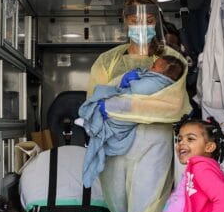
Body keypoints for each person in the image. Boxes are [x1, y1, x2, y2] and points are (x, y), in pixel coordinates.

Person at [87, 0, 192, 212]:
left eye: (148, 19)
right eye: (134, 19)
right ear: (125, 21)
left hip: (154, 144)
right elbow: (94, 102)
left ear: (156, 21)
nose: (141, 25)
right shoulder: (108, 61)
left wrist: (116, 103)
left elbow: (172, 105)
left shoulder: (171, 59)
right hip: (115, 145)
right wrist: (136, 105)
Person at [79, 55, 185, 188]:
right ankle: (93, 122)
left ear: (163, 73)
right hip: (132, 123)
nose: (149, 68)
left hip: (141, 132)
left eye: (153, 66)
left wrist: (131, 83)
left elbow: (138, 92)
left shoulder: (158, 84)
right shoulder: (159, 82)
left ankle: (93, 123)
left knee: (108, 119)